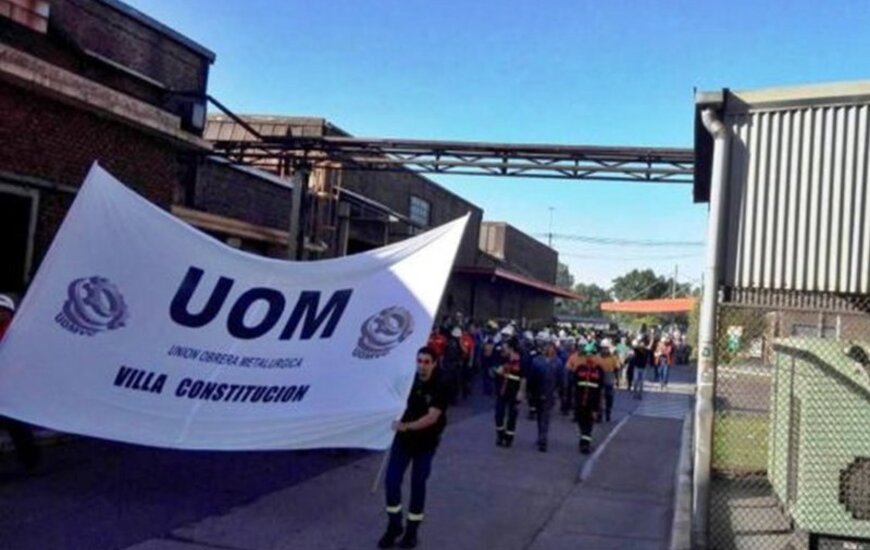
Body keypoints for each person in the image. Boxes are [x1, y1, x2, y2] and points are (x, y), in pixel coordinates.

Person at [379, 346, 449, 549]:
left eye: (427, 362)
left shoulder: (441, 385)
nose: (422, 366)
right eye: (419, 361)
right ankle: (394, 526)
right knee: (392, 482)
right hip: (403, 441)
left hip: (425, 443)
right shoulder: (408, 380)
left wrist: (406, 426)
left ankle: (411, 532)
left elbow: (432, 417)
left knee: (418, 485)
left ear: (434, 364)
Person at [0, 294, 41, 471]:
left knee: (17, 426)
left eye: (2, 310)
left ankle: (30, 461)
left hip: (13, 389)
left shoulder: (18, 332)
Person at [529, 336, 562, 452]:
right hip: (537, 392)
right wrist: (530, 392)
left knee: (545, 416)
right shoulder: (537, 361)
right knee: (539, 415)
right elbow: (532, 378)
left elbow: (560, 379)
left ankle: (543, 438)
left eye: (551, 346)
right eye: (547, 346)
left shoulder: (558, 362)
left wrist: (559, 392)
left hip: (550, 393)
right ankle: (540, 435)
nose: (548, 349)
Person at [494, 338, 524, 448]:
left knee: (512, 415)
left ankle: (509, 438)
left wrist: (521, 391)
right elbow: (496, 370)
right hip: (502, 390)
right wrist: (498, 371)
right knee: (499, 414)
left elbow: (523, 378)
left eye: (505, 347)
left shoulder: (520, 360)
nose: (503, 348)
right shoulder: (502, 358)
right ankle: (500, 434)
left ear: (511, 348)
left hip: (514, 391)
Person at [574, 352, 604, 454]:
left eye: (592, 355)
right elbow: (575, 385)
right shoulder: (580, 368)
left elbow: (600, 389)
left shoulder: (599, 371)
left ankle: (585, 443)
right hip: (580, 402)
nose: (590, 357)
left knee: (589, 423)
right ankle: (584, 437)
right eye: (588, 355)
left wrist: (597, 407)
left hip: (592, 403)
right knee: (581, 422)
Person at [597, 344, 619, 422]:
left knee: (609, 398)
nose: (604, 350)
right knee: (600, 398)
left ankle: (608, 413)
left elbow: (616, 369)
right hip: (600, 380)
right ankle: (599, 415)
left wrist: (617, 380)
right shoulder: (598, 357)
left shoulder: (613, 358)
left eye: (606, 348)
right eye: (603, 348)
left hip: (609, 380)